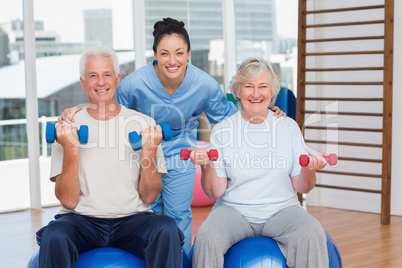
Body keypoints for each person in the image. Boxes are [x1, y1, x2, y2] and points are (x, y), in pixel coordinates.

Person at [59, 18, 285, 254]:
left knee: (178, 213)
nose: (172, 60)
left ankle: (180, 261)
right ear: (155, 54)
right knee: (148, 212)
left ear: (188, 53)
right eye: (164, 53)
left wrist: (266, 113)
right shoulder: (135, 83)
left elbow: (229, 118)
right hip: (143, 154)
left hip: (181, 154)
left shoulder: (204, 84)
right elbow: (108, 107)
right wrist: (75, 112)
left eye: (179, 53)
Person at [36, 45, 184, 268]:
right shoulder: (67, 127)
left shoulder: (144, 124)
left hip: (133, 220)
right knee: (55, 234)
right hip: (81, 221)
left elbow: (150, 196)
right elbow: (68, 201)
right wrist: (72, 149)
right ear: (83, 82)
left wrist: (149, 151)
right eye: (93, 76)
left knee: (166, 228)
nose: (101, 82)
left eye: (107, 75)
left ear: (117, 79)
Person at [189, 58, 329, 268]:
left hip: (282, 210)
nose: (256, 94)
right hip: (233, 211)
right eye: (249, 87)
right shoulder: (222, 130)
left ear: (272, 91)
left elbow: (302, 186)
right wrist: (206, 165)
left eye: (263, 86)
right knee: (207, 236)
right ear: (237, 91)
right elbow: (215, 192)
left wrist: (308, 169)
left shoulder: (288, 127)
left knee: (312, 231)